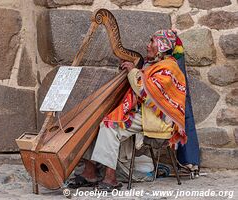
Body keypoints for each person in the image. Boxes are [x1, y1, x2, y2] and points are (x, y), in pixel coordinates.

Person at [68, 29, 200, 191]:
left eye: (151, 41)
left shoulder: (170, 68)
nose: (147, 45)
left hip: (158, 120)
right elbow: (141, 82)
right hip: (144, 114)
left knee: (111, 125)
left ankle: (110, 179)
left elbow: (146, 90)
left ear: (162, 46)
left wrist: (133, 71)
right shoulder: (154, 65)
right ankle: (90, 172)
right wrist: (131, 70)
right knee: (95, 122)